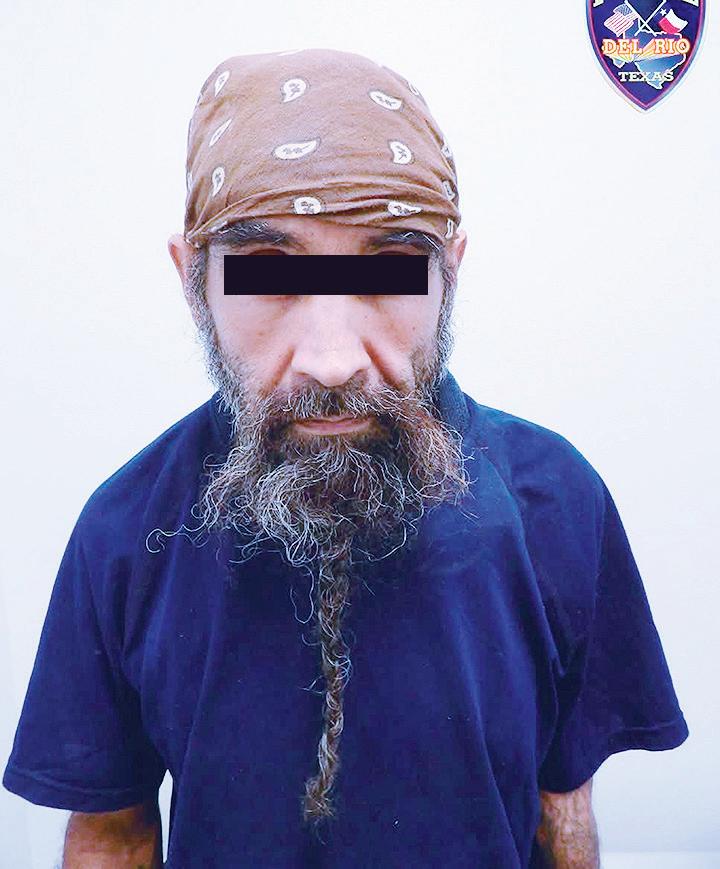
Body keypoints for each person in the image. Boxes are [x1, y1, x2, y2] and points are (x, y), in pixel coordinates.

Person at [3, 48, 688, 868]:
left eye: (390, 270)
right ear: (193, 281)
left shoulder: (558, 502)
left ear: (449, 272)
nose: (331, 362)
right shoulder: (124, 530)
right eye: (265, 275)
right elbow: (113, 834)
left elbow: (561, 809)